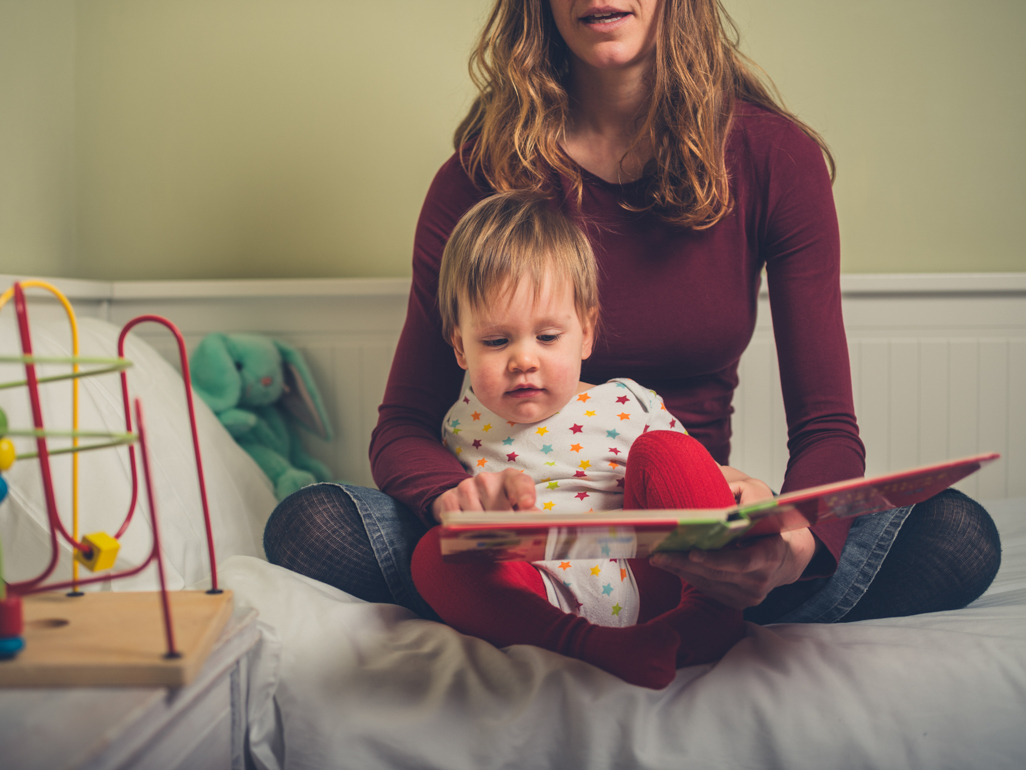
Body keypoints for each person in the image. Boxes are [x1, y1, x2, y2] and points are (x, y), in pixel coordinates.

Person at [264, 0, 1000, 633]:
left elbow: (829, 432)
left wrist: (788, 555)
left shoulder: (776, 157)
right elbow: (403, 426)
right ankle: (541, 607)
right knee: (312, 526)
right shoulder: (474, 177)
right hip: (522, 541)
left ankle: (695, 606)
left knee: (960, 537)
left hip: (692, 537)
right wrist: (455, 502)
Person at [411, 191, 746, 688]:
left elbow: (701, 481)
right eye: (496, 341)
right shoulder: (457, 425)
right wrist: (486, 517)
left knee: (670, 452)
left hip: (651, 583)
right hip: (536, 600)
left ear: (586, 333)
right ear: (460, 346)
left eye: (547, 338)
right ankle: (595, 647)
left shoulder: (626, 402)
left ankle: (706, 618)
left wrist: (745, 493)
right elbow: (473, 534)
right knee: (435, 552)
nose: (524, 360)